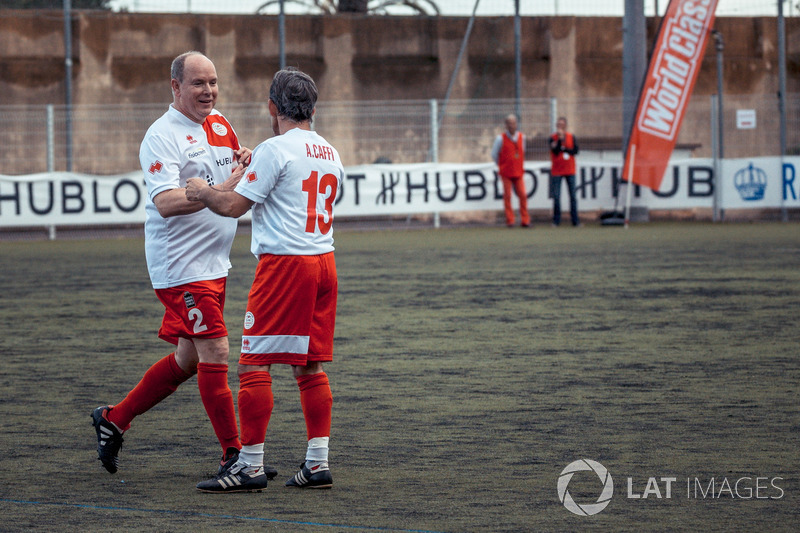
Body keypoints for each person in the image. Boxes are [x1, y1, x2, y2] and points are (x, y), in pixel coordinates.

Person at [91, 51, 276, 483]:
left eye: (212, 82)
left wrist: (243, 159)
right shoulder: (160, 135)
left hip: (215, 263)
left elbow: (230, 172)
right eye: (198, 83)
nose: (208, 91)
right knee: (216, 351)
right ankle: (235, 455)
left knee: (189, 359)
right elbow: (165, 201)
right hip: (181, 267)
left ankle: (113, 419)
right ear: (175, 87)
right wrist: (214, 189)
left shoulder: (220, 123)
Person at [186, 68, 343, 493]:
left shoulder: (276, 149)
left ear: (273, 107)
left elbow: (233, 206)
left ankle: (250, 466)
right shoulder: (330, 151)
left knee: (254, 363)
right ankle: (317, 463)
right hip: (324, 261)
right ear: (312, 107)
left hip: (286, 265)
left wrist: (202, 190)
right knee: (308, 364)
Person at [491, 114, 530, 228]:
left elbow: (523, 151)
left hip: (518, 171)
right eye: (510, 123)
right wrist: (501, 164)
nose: (512, 125)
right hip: (506, 172)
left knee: (522, 195)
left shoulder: (522, 137)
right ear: (506, 125)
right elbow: (494, 154)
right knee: (507, 195)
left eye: (514, 123)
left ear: (516, 124)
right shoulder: (500, 138)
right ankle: (510, 220)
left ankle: (525, 220)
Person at [548, 116, 581, 226]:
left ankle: (575, 221)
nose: (560, 127)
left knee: (573, 196)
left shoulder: (571, 137)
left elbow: (575, 151)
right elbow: (556, 151)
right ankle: (556, 221)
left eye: (562, 125)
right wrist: (559, 140)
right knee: (556, 197)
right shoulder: (552, 138)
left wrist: (564, 148)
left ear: (565, 126)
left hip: (570, 170)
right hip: (557, 171)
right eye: (558, 125)